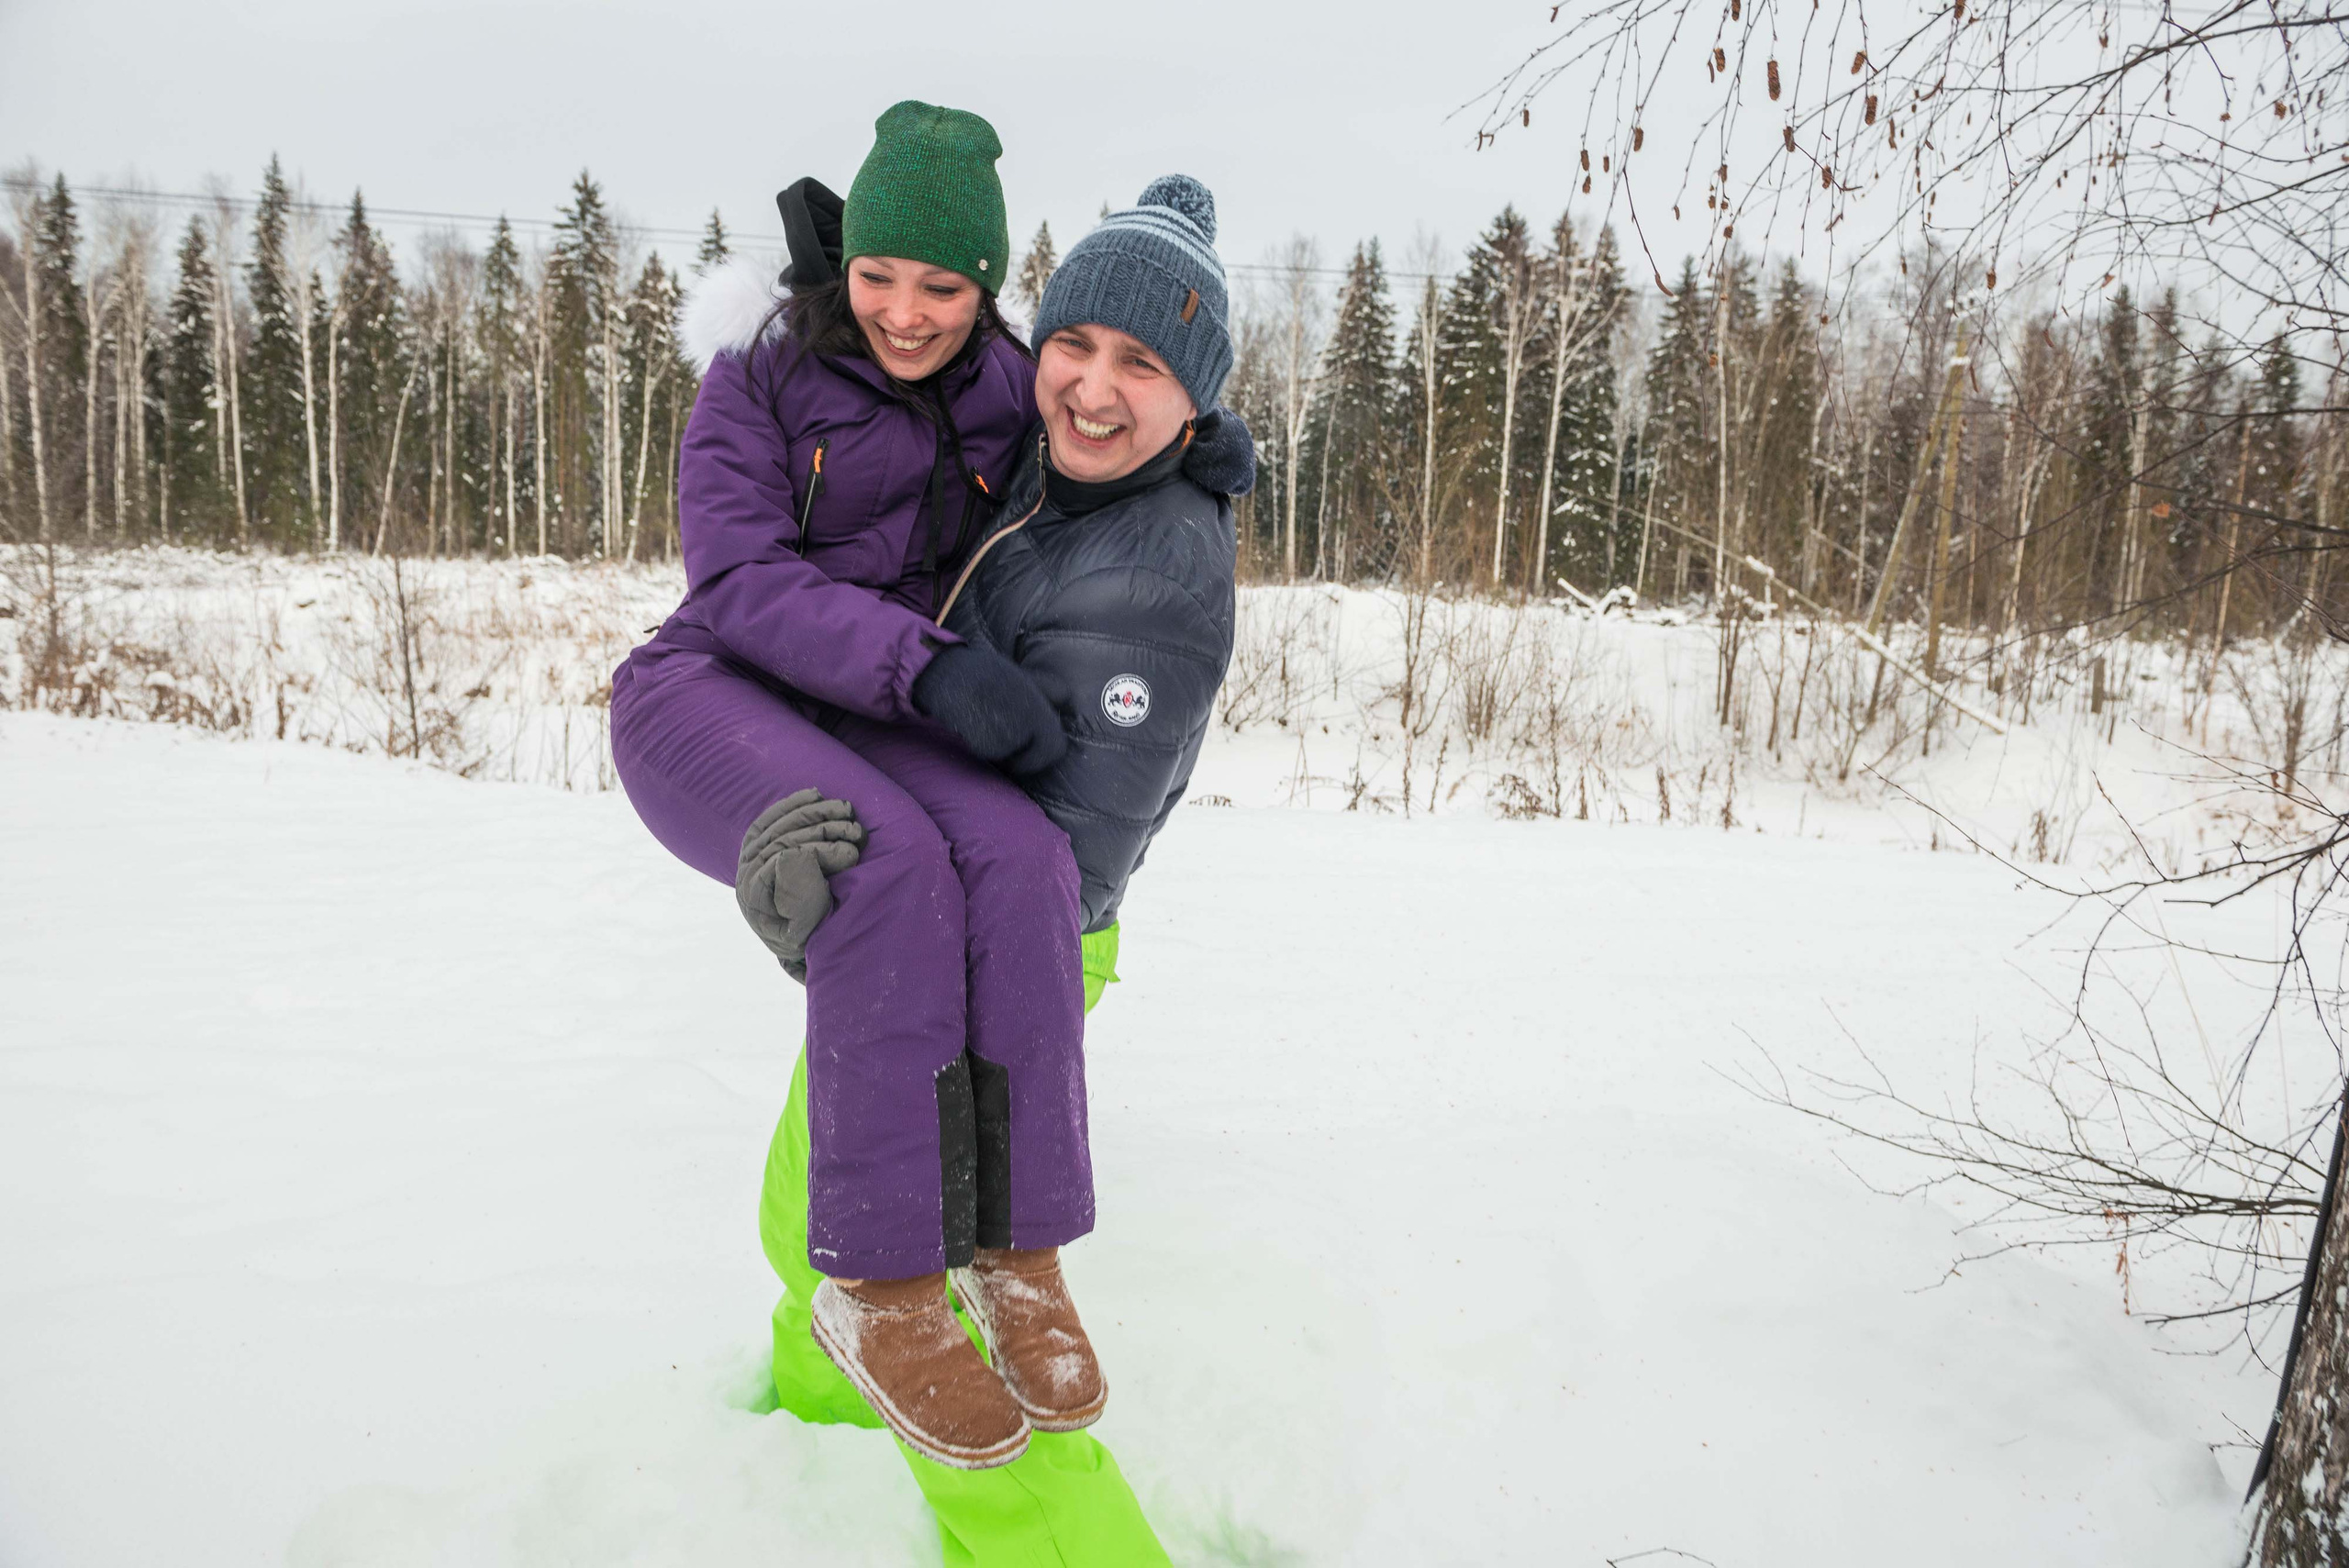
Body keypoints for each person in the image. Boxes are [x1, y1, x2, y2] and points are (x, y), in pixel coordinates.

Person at [611, 100, 1098, 1473]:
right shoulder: (759, 373)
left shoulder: (1009, 387)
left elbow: (1107, 445)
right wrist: (932, 669)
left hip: (877, 702)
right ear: (847, 260)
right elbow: (742, 576)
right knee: (886, 868)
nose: (904, 310)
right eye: (880, 275)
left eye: (942, 285)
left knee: (1022, 864)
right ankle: (880, 1283)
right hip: (715, 688)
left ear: (985, 284)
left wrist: (1195, 469)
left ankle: (1019, 1251)